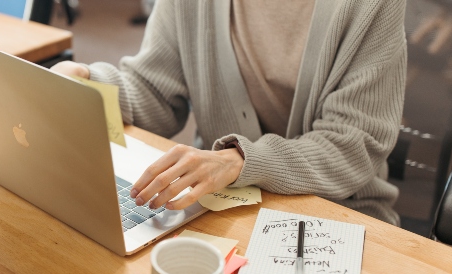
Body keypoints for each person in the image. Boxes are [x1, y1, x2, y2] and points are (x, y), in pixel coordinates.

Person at [52, 0, 407, 225]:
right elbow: (155, 89)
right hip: (220, 205)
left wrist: (238, 162)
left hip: (337, 211)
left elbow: (351, 145)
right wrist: (90, 83)